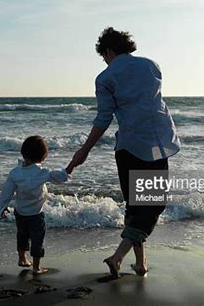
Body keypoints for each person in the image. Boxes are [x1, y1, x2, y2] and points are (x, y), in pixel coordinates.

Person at [67, 27, 180, 278]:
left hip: (128, 147)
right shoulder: (151, 66)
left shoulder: (105, 78)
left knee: (136, 205)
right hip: (156, 144)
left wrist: (84, 150)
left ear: (108, 51)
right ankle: (118, 258)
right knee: (151, 205)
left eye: (104, 56)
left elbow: (103, 118)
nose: (105, 61)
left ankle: (140, 263)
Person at [0, 135, 72, 275]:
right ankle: (36, 267)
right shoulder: (42, 172)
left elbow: (6, 192)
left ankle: (22, 259)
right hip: (36, 214)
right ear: (43, 157)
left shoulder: (15, 172)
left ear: (23, 153)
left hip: (20, 213)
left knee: (22, 235)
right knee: (37, 239)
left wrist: (2, 207)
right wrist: (70, 168)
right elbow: (60, 177)